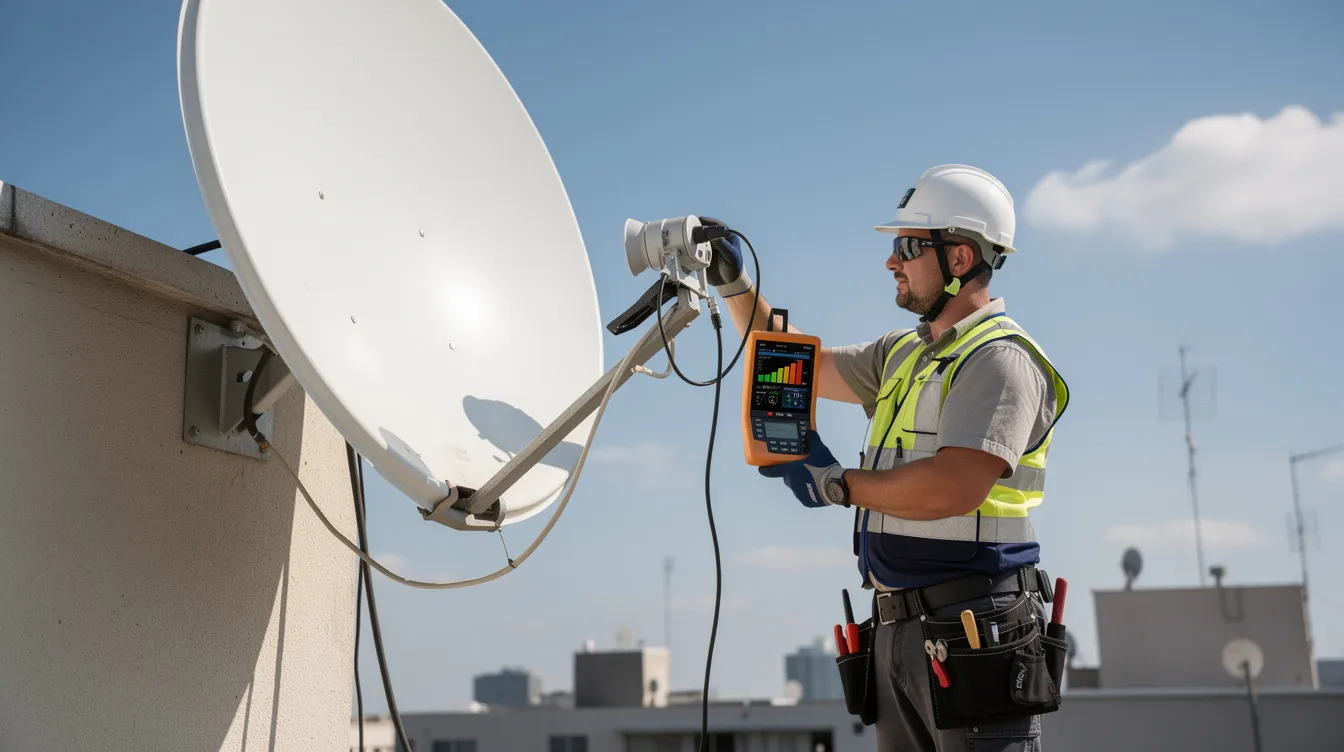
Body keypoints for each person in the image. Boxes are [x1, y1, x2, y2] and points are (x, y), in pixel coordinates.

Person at [705, 164, 1070, 752]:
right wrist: (732, 283)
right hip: (900, 626)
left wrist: (837, 484)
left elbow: (953, 488)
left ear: (958, 258)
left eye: (906, 246)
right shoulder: (903, 353)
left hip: (976, 624)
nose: (890, 262)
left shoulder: (999, 359)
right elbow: (793, 361)